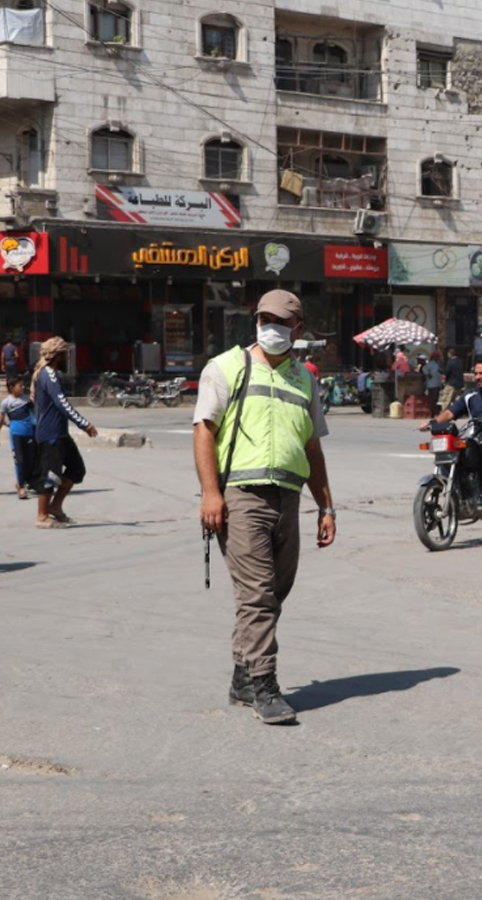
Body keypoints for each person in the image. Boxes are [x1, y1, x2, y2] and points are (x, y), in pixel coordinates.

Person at [194, 290, 336, 726]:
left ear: (298, 330)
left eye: (280, 321)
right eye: (264, 318)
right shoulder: (226, 367)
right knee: (256, 594)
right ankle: (265, 684)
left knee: (275, 593)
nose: (270, 326)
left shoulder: (304, 379)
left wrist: (326, 507)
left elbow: (312, 447)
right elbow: (203, 430)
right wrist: (210, 493)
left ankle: (242, 674)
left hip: (288, 497)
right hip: (241, 496)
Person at [421, 356, 482, 513]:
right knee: (456, 452)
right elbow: (451, 412)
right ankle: (462, 493)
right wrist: (433, 422)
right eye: (476, 373)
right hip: (477, 440)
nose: (478, 377)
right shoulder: (470, 395)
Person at [30, 337, 98, 529]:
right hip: (50, 434)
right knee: (50, 475)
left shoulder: (51, 374)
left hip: (59, 433)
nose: (68, 356)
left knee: (77, 469)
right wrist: (84, 424)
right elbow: (62, 404)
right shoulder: (49, 375)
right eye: (65, 352)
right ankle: (41, 516)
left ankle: (55, 507)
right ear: (57, 355)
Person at [0, 377, 35, 500]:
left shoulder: (27, 399)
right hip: (16, 434)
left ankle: (28, 483)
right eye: (20, 386)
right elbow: (1, 419)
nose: (23, 388)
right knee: (20, 460)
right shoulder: (6, 402)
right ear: (12, 387)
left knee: (30, 460)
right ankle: (21, 486)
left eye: (23, 385)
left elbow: (35, 413)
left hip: (29, 433)